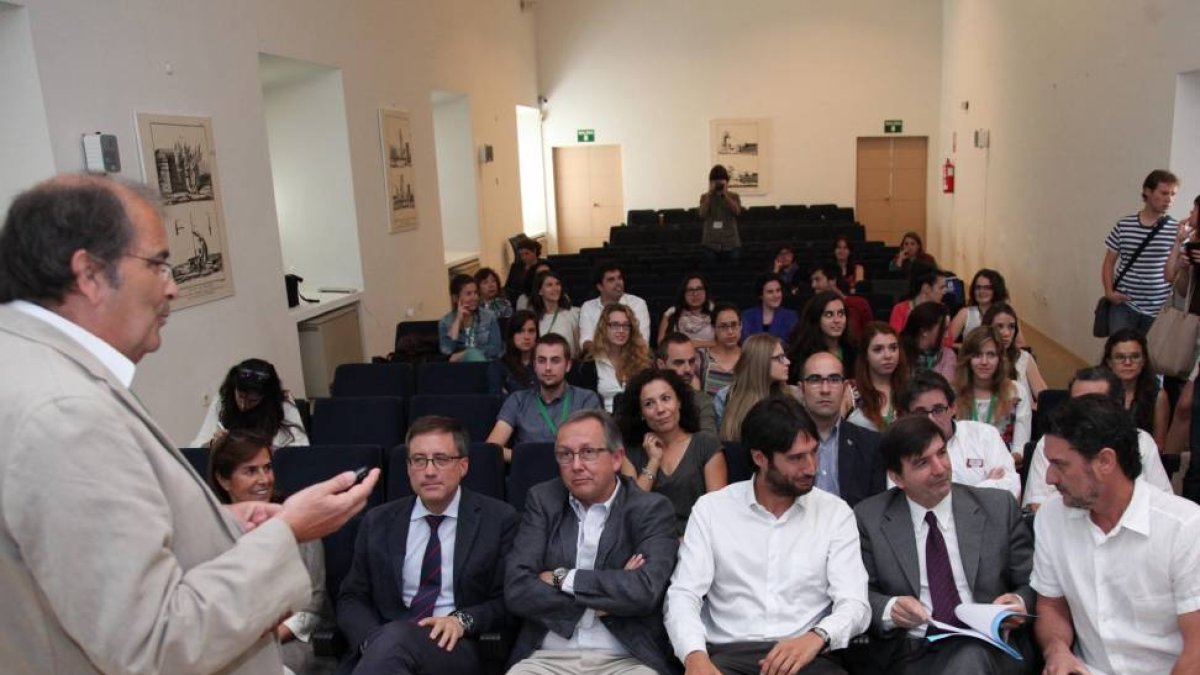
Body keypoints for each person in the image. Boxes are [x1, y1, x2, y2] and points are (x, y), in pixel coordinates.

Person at [0, 174, 377, 674]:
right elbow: (156, 642)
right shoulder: (66, 413)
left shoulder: (25, 364)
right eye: (158, 264)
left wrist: (217, 524)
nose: (173, 287)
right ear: (89, 274)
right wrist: (286, 532)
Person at [665, 396, 871, 675]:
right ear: (760, 458)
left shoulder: (835, 513)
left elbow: (855, 603)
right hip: (728, 656)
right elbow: (684, 595)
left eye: (814, 452)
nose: (811, 467)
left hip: (807, 657)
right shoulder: (712, 510)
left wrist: (818, 636)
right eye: (796, 458)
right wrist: (694, 656)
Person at [854, 415, 1035, 675]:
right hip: (912, 649)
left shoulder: (997, 507)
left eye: (941, 453)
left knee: (970, 658)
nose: (940, 469)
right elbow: (859, 594)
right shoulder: (870, 518)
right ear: (897, 477)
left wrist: (1018, 601)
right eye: (922, 463)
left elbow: (1033, 583)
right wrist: (890, 608)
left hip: (988, 646)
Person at [1032, 395, 1200, 675]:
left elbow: (1196, 652)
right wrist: (1056, 649)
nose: (1049, 478)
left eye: (1060, 464)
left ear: (1105, 461)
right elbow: (1051, 605)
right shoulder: (1052, 517)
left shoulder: (1185, 527)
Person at [337, 416, 518, 675]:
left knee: (396, 640)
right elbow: (352, 597)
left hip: (454, 646)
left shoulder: (498, 520)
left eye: (441, 459)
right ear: (408, 467)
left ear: (463, 466)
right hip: (385, 644)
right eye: (419, 460)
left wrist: (461, 621)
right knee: (394, 640)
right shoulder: (378, 521)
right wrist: (374, 642)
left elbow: (508, 600)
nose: (429, 471)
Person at [505, 410, 680, 675]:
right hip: (546, 658)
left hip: (626, 660)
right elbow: (517, 588)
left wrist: (561, 578)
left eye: (588, 452)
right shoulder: (543, 500)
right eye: (565, 454)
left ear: (617, 458)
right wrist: (608, 597)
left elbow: (644, 591)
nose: (576, 465)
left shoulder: (650, 509)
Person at [207, 430, 332, 675]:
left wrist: (259, 641)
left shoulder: (298, 519)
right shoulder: (210, 529)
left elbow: (313, 604)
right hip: (227, 645)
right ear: (223, 480)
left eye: (267, 468)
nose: (264, 479)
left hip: (290, 642)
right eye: (251, 471)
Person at [1023, 368, 1172, 512]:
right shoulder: (1053, 443)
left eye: (1091, 404)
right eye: (1076, 404)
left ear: (1116, 406)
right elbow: (1037, 505)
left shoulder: (1142, 441)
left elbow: (1164, 503)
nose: (1082, 411)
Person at [619, 368, 728, 535]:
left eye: (666, 398)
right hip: (648, 539)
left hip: (698, 539)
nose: (660, 409)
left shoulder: (706, 445)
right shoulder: (631, 452)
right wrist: (653, 462)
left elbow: (717, 511)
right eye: (649, 404)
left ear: (679, 402)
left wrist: (686, 542)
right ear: (641, 413)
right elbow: (632, 510)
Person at [895, 369, 1020, 498]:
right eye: (921, 413)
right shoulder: (901, 448)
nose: (931, 419)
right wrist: (986, 486)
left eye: (938, 410)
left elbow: (1010, 490)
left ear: (953, 408)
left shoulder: (985, 435)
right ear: (907, 416)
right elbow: (905, 501)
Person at [486, 333, 603, 462]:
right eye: (542, 361)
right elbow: (492, 448)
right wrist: (531, 458)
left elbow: (596, 447)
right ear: (534, 365)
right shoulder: (518, 400)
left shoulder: (586, 399)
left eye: (555, 361)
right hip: (530, 471)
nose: (548, 368)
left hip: (574, 469)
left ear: (568, 365)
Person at [797, 352, 886, 507]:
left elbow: (877, 509)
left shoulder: (870, 444)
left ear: (845, 388)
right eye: (815, 380)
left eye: (834, 380)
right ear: (802, 389)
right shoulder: (784, 442)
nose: (825, 389)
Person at [1100, 168, 1179, 335]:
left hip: (1158, 309)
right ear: (1147, 191)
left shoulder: (1176, 230)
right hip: (1124, 304)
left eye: (1173, 194)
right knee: (1121, 347)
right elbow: (1109, 262)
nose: (1169, 199)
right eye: (1164, 193)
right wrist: (1109, 292)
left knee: (1149, 352)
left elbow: (1176, 271)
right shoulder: (1125, 225)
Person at [191, 356, 309, 448]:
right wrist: (213, 444)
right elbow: (196, 446)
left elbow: (301, 446)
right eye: (240, 397)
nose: (243, 405)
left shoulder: (282, 402)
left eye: (252, 400)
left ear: (266, 397)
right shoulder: (223, 399)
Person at [954, 326, 1031, 463]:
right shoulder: (952, 394)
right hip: (961, 467)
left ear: (1000, 359)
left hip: (1004, 467)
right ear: (967, 359)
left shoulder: (1016, 392)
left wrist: (998, 465)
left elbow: (1020, 450)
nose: (984, 362)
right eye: (977, 355)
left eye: (991, 355)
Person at [715, 334, 794, 443]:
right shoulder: (725, 396)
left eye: (784, 356)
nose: (787, 362)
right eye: (779, 358)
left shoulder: (792, 395)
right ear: (760, 362)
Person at [1100, 328, 1169, 449]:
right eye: (1120, 357)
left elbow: (1158, 444)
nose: (1128, 363)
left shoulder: (1158, 396)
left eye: (1135, 356)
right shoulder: (1097, 390)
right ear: (1109, 362)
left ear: (1143, 361)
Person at [586, 303, 653, 412]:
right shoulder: (590, 363)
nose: (621, 330)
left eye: (626, 325)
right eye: (615, 325)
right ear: (603, 328)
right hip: (603, 418)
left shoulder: (641, 360)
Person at [578, 260, 651, 355]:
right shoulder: (588, 307)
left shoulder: (638, 303)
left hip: (631, 359)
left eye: (619, 278)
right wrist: (608, 357)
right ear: (600, 287)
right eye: (611, 280)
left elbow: (642, 342)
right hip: (599, 359)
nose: (618, 283)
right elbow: (586, 342)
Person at [982, 303, 1047, 408]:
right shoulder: (979, 360)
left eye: (1011, 327)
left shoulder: (1024, 358)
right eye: (999, 326)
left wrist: (1029, 409)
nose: (1006, 333)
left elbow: (1045, 399)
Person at [848, 322, 908, 433]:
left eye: (893, 348)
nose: (888, 355)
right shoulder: (850, 391)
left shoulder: (909, 388)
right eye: (878, 349)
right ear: (865, 355)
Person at [656, 332, 719, 435]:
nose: (688, 369)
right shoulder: (648, 399)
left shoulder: (701, 401)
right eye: (679, 363)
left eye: (691, 361)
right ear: (661, 365)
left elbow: (708, 441)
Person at [786, 291, 856, 383]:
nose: (837, 320)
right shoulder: (801, 355)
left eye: (841, 314)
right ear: (816, 319)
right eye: (829, 315)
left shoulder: (854, 351)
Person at [438, 273, 502, 362]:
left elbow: (495, 349)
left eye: (475, 293)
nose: (474, 297)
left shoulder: (489, 316)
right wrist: (457, 321)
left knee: (473, 354)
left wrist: (466, 353)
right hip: (461, 367)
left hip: (487, 364)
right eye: (468, 294)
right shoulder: (445, 322)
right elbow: (447, 351)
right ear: (455, 298)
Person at [810, 262, 874, 342]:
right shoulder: (813, 307)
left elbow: (870, 335)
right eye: (812, 281)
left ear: (832, 280)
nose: (813, 285)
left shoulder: (859, 304)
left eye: (817, 280)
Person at [899, 301, 956, 382]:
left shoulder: (947, 355)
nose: (947, 335)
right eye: (943, 329)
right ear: (924, 331)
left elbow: (946, 386)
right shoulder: (899, 354)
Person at [949, 268, 1009, 343]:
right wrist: (966, 347)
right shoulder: (965, 313)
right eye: (978, 287)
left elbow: (1020, 345)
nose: (981, 291)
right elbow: (946, 343)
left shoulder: (1007, 313)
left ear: (996, 290)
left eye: (987, 288)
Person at [531, 269, 581, 356]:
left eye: (557, 284)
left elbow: (578, 349)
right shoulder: (534, 319)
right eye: (549, 285)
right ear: (540, 291)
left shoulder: (573, 313)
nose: (555, 288)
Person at [658, 273, 716, 348]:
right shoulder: (671, 314)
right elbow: (661, 344)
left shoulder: (716, 313)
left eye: (699, 289)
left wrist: (698, 343)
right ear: (683, 293)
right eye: (690, 290)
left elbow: (724, 342)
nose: (695, 294)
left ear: (705, 291)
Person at [888, 261, 948, 334]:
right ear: (926, 288)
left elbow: (947, 340)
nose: (945, 291)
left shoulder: (942, 312)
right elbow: (895, 338)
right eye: (941, 287)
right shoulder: (900, 309)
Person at [699, 164, 743, 261]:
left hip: (731, 242)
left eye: (721, 181)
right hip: (710, 243)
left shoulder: (734, 196)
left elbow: (737, 212)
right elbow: (702, 214)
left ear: (727, 182)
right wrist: (710, 195)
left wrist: (725, 195)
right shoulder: (705, 197)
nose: (718, 184)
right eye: (715, 181)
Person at [491, 308, 538, 395]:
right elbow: (497, 400)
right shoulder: (498, 367)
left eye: (531, 331)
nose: (526, 337)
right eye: (520, 331)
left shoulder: (544, 365)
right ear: (512, 335)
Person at [740, 272, 798, 342]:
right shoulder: (747, 316)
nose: (776, 295)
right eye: (770, 292)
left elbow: (793, 343)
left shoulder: (791, 316)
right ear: (761, 295)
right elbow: (745, 342)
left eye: (778, 290)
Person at [701, 302, 743, 396]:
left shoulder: (749, 357)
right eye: (723, 326)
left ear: (741, 326)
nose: (730, 331)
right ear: (713, 328)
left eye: (734, 325)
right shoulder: (702, 358)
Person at [504, 236, 545, 306]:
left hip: (537, 300)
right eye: (521, 255)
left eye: (527, 254)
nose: (524, 257)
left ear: (534, 251)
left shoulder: (543, 265)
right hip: (516, 300)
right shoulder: (516, 266)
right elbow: (508, 286)